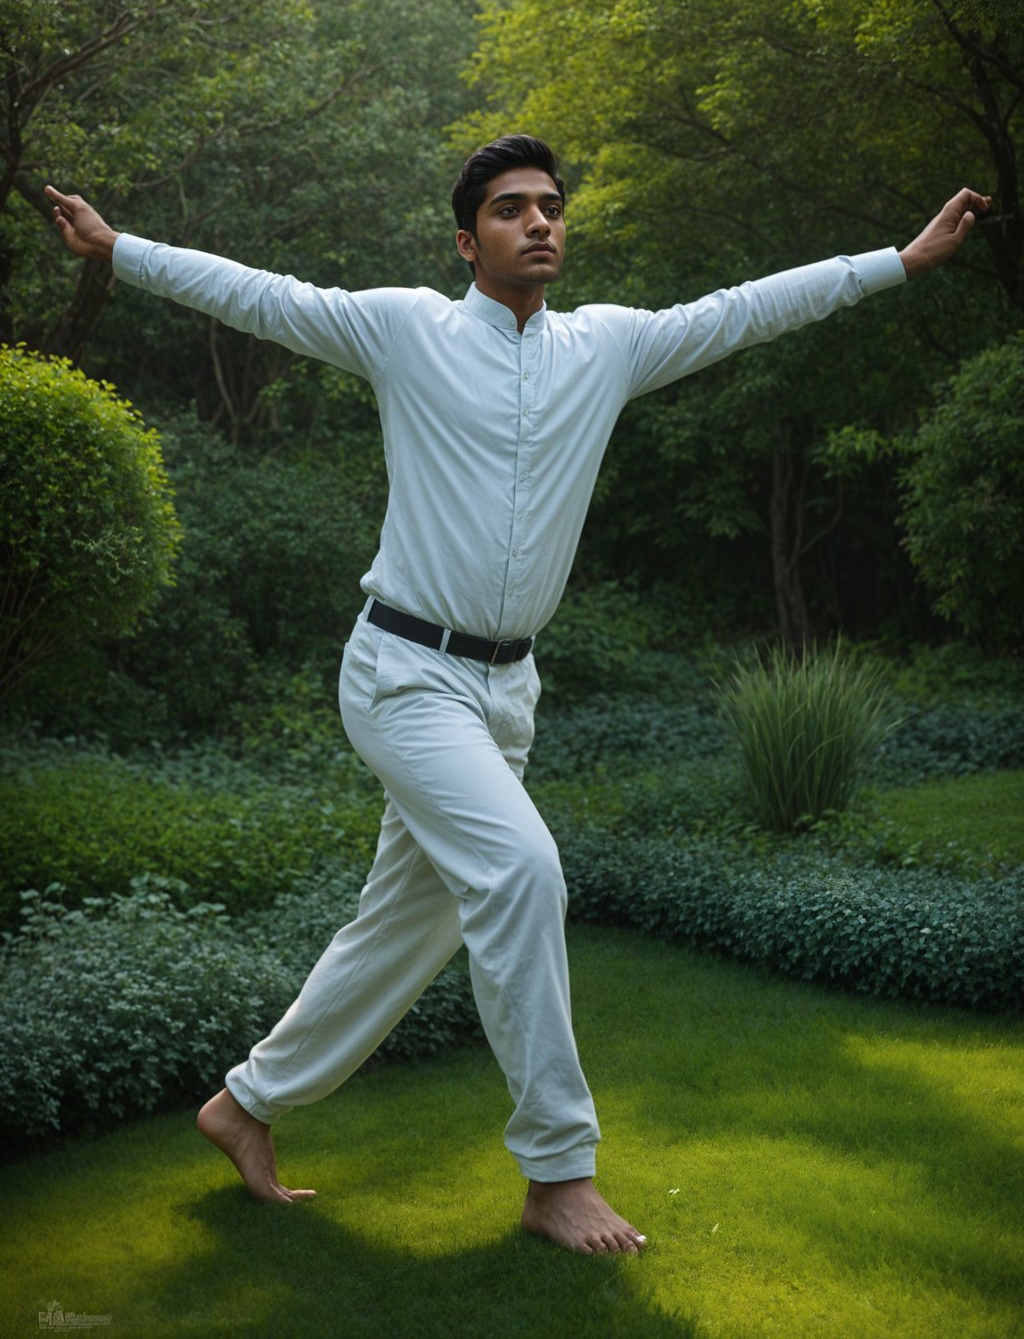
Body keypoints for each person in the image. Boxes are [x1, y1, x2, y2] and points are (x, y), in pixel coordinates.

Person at [46, 141, 989, 1255]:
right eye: (509, 210)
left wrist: (901, 262)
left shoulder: (608, 347)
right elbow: (261, 295)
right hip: (402, 674)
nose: (538, 223)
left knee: (409, 923)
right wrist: (119, 248)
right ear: (466, 240)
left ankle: (245, 1105)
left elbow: (748, 309)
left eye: (549, 208)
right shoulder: (406, 330)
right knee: (523, 871)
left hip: (505, 691)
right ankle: (557, 1171)